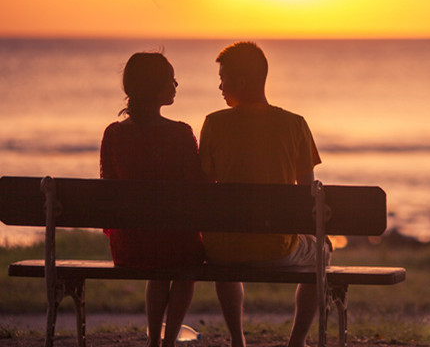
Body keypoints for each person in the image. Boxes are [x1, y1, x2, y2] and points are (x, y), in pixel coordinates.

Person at [199, 41, 323, 347]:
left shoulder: (214, 124)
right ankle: (296, 341)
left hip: (223, 251)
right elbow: (308, 194)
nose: (219, 85)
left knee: (228, 249)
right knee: (323, 251)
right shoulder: (295, 125)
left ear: (241, 81)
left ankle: (238, 341)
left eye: (223, 78)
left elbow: (203, 190)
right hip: (277, 250)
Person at [100, 52, 205, 347]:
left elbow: (108, 189)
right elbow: (195, 189)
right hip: (175, 244)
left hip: (131, 247)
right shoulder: (181, 133)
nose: (176, 84)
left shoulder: (113, 134)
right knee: (185, 267)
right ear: (156, 88)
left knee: (157, 253)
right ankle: (168, 342)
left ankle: (154, 344)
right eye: (171, 79)